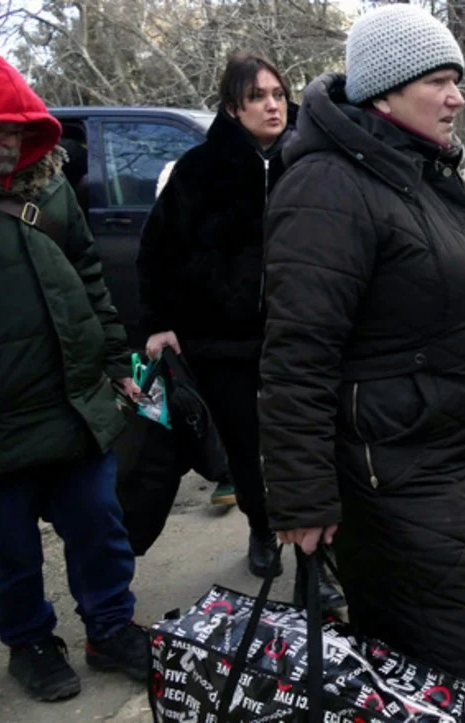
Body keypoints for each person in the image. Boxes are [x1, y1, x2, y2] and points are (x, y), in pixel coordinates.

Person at [257, 6, 465, 720]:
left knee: (454, 646)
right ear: (384, 92)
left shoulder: (418, 170)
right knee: (450, 654)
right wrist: (301, 497)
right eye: (439, 80)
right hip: (394, 475)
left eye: (457, 79)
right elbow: (296, 356)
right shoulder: (330, 186)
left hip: (455, 460)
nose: (457, 96)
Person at [0, 54, 149, 702]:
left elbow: (91, 277)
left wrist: (117, 363)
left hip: (74, 402)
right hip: (2, 422)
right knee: (9, 550)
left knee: (98, 524)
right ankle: (30, 641)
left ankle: (110, 626)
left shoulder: (51, 187)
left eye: (14, 129)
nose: (7, 143)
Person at [137, 51, 295, 578]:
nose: (272, 106)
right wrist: (160, 323)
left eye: (278, 94)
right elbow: (156, 251)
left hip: (298, 334)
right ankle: (262, 528)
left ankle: (321, 537)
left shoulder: (309, 162)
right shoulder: (199, 170)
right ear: (232, 107)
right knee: (245, 445)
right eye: (257, 96)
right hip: (221, 341)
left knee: (303, 437)